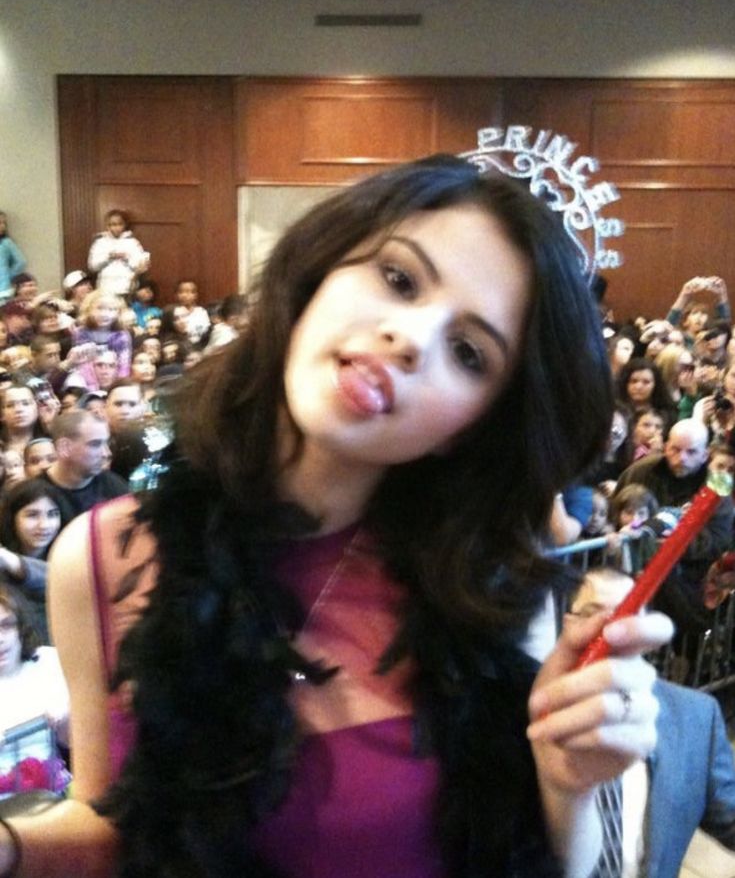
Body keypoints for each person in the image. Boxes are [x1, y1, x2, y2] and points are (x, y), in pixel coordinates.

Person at [0, 157, 672, 878]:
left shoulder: (486, 583)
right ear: (321, 270)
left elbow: (538, 860)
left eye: (469, 352)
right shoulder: (105, 556)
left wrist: (569, 781)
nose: (411, 338)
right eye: (398, 279)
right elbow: (114, 833)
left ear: (466, 427)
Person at [570, 568, 735, 878]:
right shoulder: (526, 717)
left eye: (630, 617)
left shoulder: (696, 719)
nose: (613, 633)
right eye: (593, 615)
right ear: (566, 627)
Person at [615, 418, 734, 632]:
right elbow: (615, 509)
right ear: (666, 446)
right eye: (675, 450)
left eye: (691, 452)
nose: (681, 459)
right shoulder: (641, 472)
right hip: (633, 563)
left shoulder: (717, 486)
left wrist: (674, 545)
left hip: (687, 572)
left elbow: (719, 538)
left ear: (705, 455)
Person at [0, 583, 70, 798]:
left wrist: (64, 717)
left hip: (52, 796)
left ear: (20, 627)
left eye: (6, 626)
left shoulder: (48, 662)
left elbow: (73, 743)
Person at [0, 477, 64, 641]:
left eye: (52, 514)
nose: (44, 525)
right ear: (13, 518)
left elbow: (63, 578)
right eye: (32, 515)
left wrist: (11, 561)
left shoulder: (71, 555)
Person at [42, 410, 127, 527]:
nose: (106, 453)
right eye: (95, 444)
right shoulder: (33, 495)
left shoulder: (115, 487)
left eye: (106, 443)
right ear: (64, 448)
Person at [71, 292, 132, 390]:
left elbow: (123, 365)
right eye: (99, 308)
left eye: (111, 310)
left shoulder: (121, 335)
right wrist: (92, 388)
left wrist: (119, 387)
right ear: (89, 310)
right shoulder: (81, 333)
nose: (105, 314)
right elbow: (83, 364)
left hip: (113, 381)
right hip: (86, 382)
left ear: (118, 313)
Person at [87, 210, 149, 299]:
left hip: (126, 289)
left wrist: (126, 258)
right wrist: (108, 257)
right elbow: (92, 266)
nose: (116, 228)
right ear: (107, 226)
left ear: (125, 225)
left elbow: (141, 267)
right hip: (105, 289)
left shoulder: (133, 243)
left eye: (119, 224)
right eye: (112, 224)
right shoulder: (100, 242)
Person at [0, 213, 27, 305]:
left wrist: (9, 275)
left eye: (4, 223)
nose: (2, 226)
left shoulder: (6, 243)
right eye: (0, 223)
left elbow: (21, 262)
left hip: (4, 291)